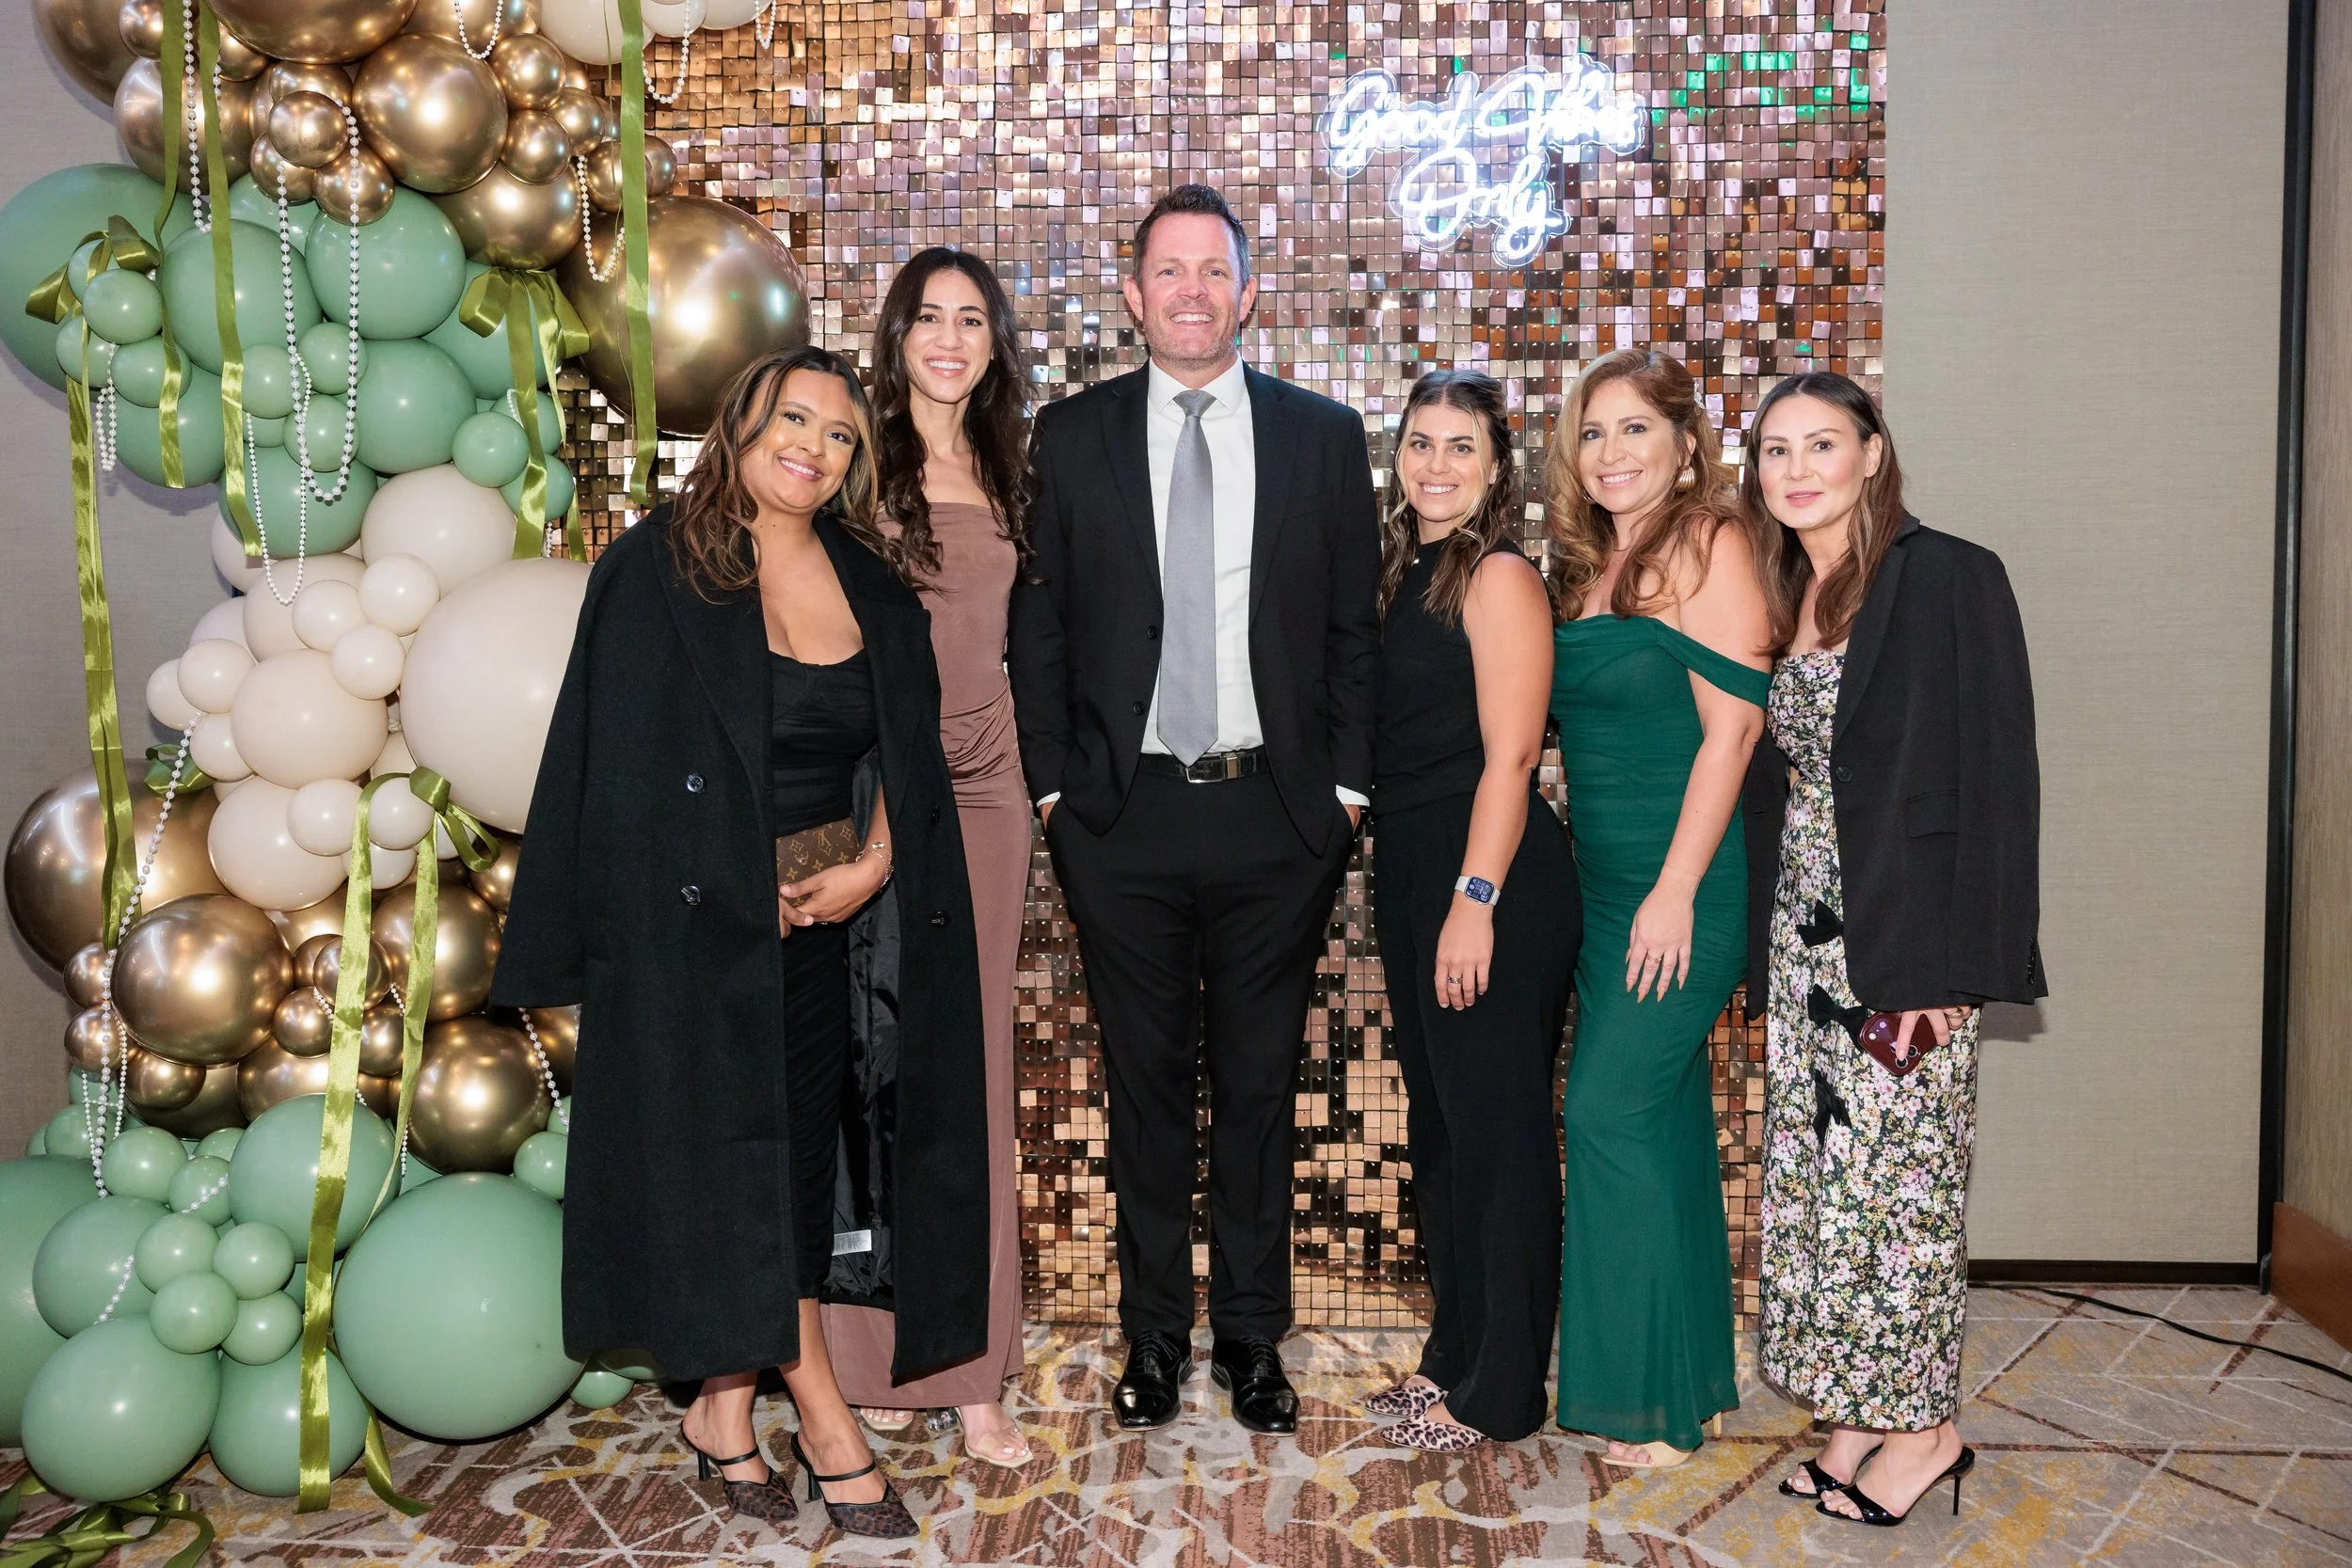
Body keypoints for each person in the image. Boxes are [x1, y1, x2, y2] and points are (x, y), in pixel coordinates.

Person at [492, 346, 992, 1541]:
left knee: (798, 1173)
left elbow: (900, 756)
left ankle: (721, 1413)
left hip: (829, 932)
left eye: (838, 433)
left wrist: (872, 860)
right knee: (739, 1174)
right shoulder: (655, 569)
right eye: (792, 419)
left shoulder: (869, 581)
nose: (813, 446)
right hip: (690, 941)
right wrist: (722, 882)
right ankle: (823, 1412)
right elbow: (608, 774)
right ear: (741, 425)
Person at [1008, 183, 1380, 1435]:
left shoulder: (1326, 438)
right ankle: (1155, 1339)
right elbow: (1042, 625)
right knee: (1148, 1090)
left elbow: (1351, 634)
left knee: (1264, 1088)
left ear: (1248, 290)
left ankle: (1254, 1343)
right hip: (1121, 821)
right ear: (1134, 294)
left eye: (1212, 270)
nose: (1189, 291)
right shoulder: (1071, 437)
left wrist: (1339, 798)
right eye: (1166, 271)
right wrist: (1058, 791)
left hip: (1276, 821)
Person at [1740, 371, 2042, 1527]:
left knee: (1896, 1197)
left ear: (1873, 454)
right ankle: (1859, 1409)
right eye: (1775, 451)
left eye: (1823, 443)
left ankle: (1926, 1431)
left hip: (1904, 948)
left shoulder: (1949, 576)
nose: (1797, 468)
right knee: (1825, 1196)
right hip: (1808, 938)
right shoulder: (1790, 591)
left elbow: (1999, 786)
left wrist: (1964, 974)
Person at [819, 247, 1036, 1469]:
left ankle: (970, 1371)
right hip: (873, 788)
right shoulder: (851, 459)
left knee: (970, 1067)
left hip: (988, 788)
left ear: (994, 341)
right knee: (868, 1065)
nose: (949, 338)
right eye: (928, 318)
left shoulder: (1012, 464)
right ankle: (850, 1363)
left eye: (971, 319)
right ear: (895, 334)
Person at [1545, 347, 1770, 1467]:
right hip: (1605, 891)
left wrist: (1674, 890)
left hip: (1678, 887)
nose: (1612, 451)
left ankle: (1639, 1400)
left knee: (1607, 1115)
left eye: (1635, 427)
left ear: (1687, 442)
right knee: (1665, 1122)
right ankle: (1686, 1390)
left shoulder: (1708, 540)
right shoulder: (1597, 559)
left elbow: (1733, 728)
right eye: (1593, 432)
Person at [1360, 369, 1579, 1451]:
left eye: (1460, 446)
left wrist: (1474, 900)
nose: (1435, 463)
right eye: (1419, 441)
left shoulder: (1497, 576)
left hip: (1487, 874)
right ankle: (1452, 1362)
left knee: (1498, 1138)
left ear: (1497, 470)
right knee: (1446, 1136)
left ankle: (1503, 1393)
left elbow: (1512, 757)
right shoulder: (1411, 569)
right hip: (1412, 866)